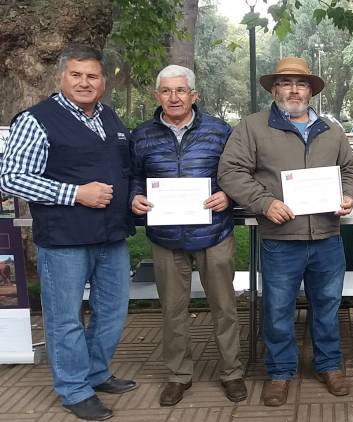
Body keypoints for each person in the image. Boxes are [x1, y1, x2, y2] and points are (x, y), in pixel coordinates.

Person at [0, 45, 136, 420]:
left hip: (112, 237)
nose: (84, 82)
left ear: (103, 82)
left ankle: (96, 372)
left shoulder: (109, 118)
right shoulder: (37, 119)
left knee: (111, 313)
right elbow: (10, 178)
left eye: (92, 76)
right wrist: (74, 193)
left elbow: (122, 172)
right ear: (61, 77)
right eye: (76, 75)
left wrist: (134, 199)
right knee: (65, 319)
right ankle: (74, 390)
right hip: (64, 241)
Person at [218, 57, 353, 407]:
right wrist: (264, 203)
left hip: (327, 237)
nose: (293, 89)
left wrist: (348, 195)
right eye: (285, 82)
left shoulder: (332, 130)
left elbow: (349, 170)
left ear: (311, 90)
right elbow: (231, 172)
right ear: (274, 89)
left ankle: (328, 365)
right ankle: (280, 372)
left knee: (327, 306)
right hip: (281, 239)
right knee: (278, 309)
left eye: (301, 83)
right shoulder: (252, 127)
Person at [129, 65, 246, 406]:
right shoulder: (142, 135)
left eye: (181, 91)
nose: (174, 97)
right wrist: (133, 196)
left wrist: (228, 194)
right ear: (157, 96)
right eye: (167, 91)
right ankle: (179, 375)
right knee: (172, 310)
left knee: (224, 307)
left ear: (194, 95)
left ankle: (232, 372)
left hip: (214, 232)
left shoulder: (219, 130)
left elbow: (237, 171)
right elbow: (135, 176)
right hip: (165, 237)